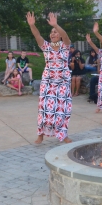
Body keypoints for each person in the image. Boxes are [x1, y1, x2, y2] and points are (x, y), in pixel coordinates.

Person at [27, 12, 72, 144]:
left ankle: (63, 134)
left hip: (62, 83)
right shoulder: (46, 47)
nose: (53, 34)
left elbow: (65, 36)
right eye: (51, 32)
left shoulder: (65, 46)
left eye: (55, 32)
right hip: (48, 82)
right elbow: (37, 35)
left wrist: (56, 25)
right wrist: (32, 25)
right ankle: (41, 134)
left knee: (62, 109)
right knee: (45, 109)